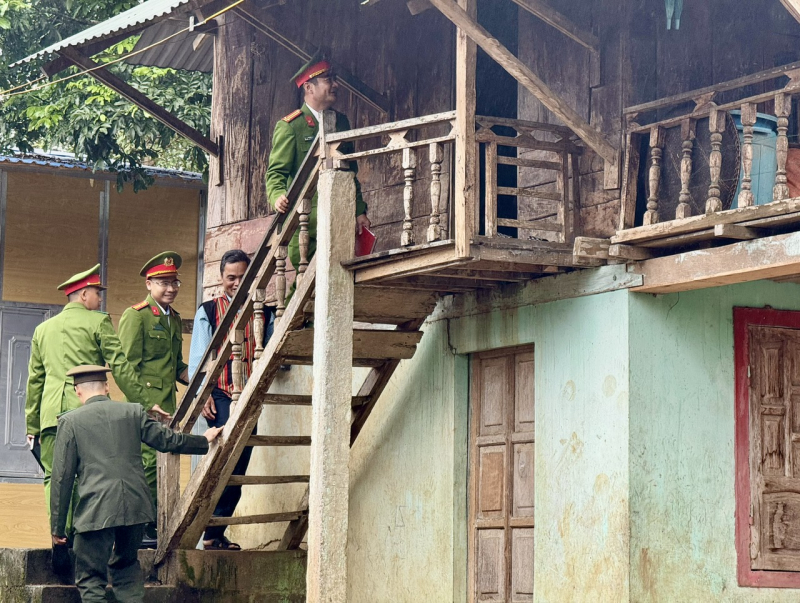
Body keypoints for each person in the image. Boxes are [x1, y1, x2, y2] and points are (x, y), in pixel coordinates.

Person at [49, 365, 222, 603]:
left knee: (91, 580)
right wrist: (202, 440)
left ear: (77, 391)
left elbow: (61, 479)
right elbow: (165, 440)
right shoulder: (133, 412)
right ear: (107, 387)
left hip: (95, 512)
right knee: (126, 568)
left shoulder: (70, 422)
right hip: (136, 508)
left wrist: (58, 529)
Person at [25, 264, 153, 537]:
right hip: (86, 414)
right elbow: (119, 365)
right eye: (97, 292)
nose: (100, 298)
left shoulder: (42, 329)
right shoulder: (98, 321)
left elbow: (35, 381)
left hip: (50, 417)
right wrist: (143, 403)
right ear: (83, 295)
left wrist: (32, 426)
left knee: (54, 477)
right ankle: (84, 539)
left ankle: (59, 537)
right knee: (89, 475)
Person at [188, 249, 273, 550]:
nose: (236, 282)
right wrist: (203, 393)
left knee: (239, 466)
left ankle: (215, 532)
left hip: (250, 397)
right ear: (221, 278)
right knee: (222, 463)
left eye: (242, 276)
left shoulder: (265, 311)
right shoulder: (208, 310)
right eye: (230, 277)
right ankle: (206, 530)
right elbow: (198, 357)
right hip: (221, 395)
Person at [265, 56, 371, 273]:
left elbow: (351, 172)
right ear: (309, 88)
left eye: (334, 79)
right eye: (328, 80)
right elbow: (276, 173)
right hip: (306, 227)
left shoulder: (341, 122)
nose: (335, 85)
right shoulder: (291, 126)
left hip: (340, 218)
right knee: (310, 281)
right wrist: (277, 196)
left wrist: (359, 211)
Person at [118, 251, 189, 538]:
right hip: (146, 406)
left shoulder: (173, 319)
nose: (170, 288)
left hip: (168, 407)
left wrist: (201, 381)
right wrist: (146, 405)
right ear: (149, 284)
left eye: (174, 282)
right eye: (163, 282)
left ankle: (159, 524)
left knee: (166, 463)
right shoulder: (136, 316)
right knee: (148, 465)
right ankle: (145, 526)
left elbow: (176, 366)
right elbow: (124, 368)